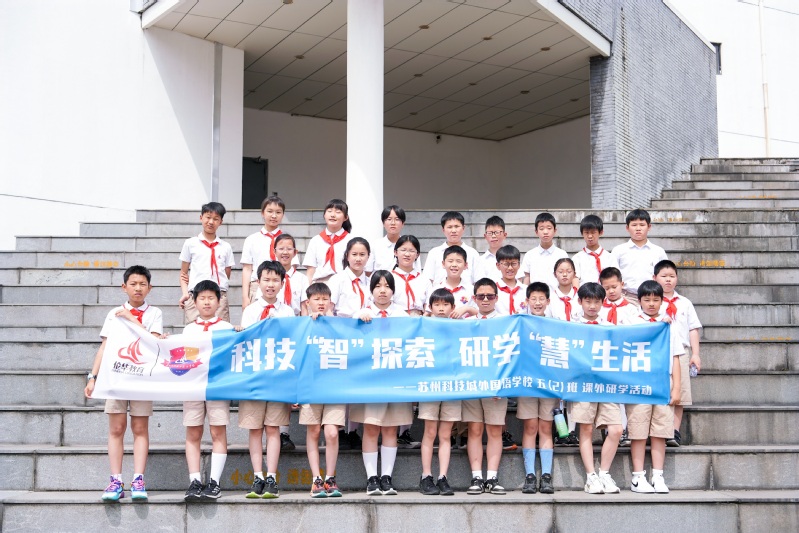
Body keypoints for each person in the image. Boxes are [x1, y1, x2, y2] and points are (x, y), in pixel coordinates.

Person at [84, 265, 163, 501]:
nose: (138, 288)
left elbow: (154, 342)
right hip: (116, 377)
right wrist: (93, 377)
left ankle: (138, 479)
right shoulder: (114, 313)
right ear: (124, 287)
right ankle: (115, 481)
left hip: (141, 379)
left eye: (142, 284)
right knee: (116, 428)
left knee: (140, 428)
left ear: (149, 288)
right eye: (133, 284)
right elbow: (105, 347)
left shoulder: (154, 313)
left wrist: (131, 319)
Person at [238, 260, 295, 499]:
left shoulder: (288, 311)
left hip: (277, 379)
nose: (270, 284)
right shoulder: (251, 311)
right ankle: (257, 476)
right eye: (266, 280)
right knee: (255, 429)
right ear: (258, 282)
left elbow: (292, 343)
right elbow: (245, 343)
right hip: (254, 379)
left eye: (275, 280)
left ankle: (271, 476)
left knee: (273, 427)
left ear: (282, 283)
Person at [353, 271, 412, 495]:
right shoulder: (363, 312)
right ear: (371, 290)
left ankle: (387, 477)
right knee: (371, 427)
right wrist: (359, 320)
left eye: (387, 286)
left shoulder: (402, 315)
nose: (382, 290)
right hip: (371, 382)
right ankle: (371, 478)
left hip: (395, 381)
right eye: (378, 286)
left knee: (391, 428)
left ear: (393, 290)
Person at [627, 280, 682, 493]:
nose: (651, 304)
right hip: (639, 382)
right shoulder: (631, 322)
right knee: (639, 430)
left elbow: (675, 357)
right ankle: (638, 477)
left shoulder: (669, 324)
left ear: (662, 301)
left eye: (656, 300)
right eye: (647, 299)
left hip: (662, 382)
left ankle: (658, 476)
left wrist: (676, 388)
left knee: (660, 430)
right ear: (639, 301)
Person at [181, 280, 234, 501]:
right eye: (202, 298)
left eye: (211, 298)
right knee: (193, 432)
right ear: (194, 302)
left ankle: (214, 482)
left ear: (219, 301)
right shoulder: (189, 329)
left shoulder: (227, 328)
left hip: (217, 386)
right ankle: (194, 480)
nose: (206, 302)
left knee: (217, 432)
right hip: (193, 386)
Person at [570, 283, 624, 495]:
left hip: (606, 384)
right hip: (583, 385)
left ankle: (604, 473)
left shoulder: (609, 326)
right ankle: (590, 476)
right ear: (580, 302)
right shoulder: (572, 326)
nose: (592, 306)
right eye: (588, 301)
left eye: (596, 302)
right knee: (586, 429)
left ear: (603, 303)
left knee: (616, 429)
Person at [463, 278, 507, 495]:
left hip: (496, 385)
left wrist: (502, 384)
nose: (486, 299)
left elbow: (510, 357)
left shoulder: (505, 322)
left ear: (496, 298)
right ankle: (476, 477)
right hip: (472, 384)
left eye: (490, 296)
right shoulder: (467, 323)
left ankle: (492, 476)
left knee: (495, 430)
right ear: (475, 298)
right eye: (481, 296)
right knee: (474, 429)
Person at [302, 282, 345, 498]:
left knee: (332, 432)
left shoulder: (339, 324)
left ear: (331, 302)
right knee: (313, 431)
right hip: (310, 387)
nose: (321, 303)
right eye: (316, 299)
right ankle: (316, 479)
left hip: (335, 387)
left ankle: (330, 478)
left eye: (325, 299)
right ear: (307, 302)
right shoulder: (302, 325)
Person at [653, 260, 702, 447]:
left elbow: (693, 328)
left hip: (681, 351)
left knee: (679, 392)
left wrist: (695, 354)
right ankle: (658, 429)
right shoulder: (652, 301)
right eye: (664, 276)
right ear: (655, 278)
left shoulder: (685, 303)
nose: (668, 280)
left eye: (672, 276)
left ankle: (674, 431)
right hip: (658, 351)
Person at [418, 289, 461, 496]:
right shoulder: (423, 327)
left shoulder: (460, 327)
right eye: (437, 305)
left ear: (453, 308)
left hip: (452, 387)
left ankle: (443, 477)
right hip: (430, 386)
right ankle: (426, 476)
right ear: (430, 307)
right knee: (430, 432)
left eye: (445, 305)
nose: (441, 308)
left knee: (445, 434)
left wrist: (467, 309)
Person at [518, 282, 557, 494]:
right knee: (530, 427)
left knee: (546, 428)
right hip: (527, 385)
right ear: (527, 301)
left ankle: (547, 475)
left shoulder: (555, 325)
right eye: (533, 299)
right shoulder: (520, 323)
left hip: (549, 384)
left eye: (542, 299)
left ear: (548, 301)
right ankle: (530, 475)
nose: (538, 302)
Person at [598, 267, 640, 447]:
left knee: (623, 393)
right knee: (608, 395)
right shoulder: (599, 308)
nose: (611, 291)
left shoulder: (632, 309)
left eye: (614, 287)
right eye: (606, 288)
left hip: (624, 357)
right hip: (604, 357)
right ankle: (610, 430)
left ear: (622, 284)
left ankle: (625, 430)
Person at [178, 202, 234, 323]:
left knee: (221, 330)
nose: (211, 222)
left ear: (221, 222)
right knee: (194, 331)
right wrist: (185, 293)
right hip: (196, 295)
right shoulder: (190, 243)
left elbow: (227, 273)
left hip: (218, 296)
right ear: (201, 217)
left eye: (216, 219)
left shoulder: (226, 247)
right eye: (208, 217)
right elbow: (183, 273)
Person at [240, 195, 299, 310]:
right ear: (262, 213)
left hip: (280, 285)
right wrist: (245, 297)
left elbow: (292, 267)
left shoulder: (287, 240)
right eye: (270, 211)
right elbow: (247, 269)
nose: (274, 216)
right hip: (257, 285)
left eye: (278, 212)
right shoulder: (251, 239)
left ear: (283, 214)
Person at [549, 258, 579, 446]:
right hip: (556, 347)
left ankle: (573, 431)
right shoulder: (550, 297)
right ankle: (561, 431)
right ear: (555, 274)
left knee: (573, 391)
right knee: (558, 393)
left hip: (576, 348)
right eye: (561, 271)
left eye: (569, 271)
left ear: (574, 274)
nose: (565, 274)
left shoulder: (580, 296)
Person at [611, 209, 668, 305]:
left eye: (642, 225)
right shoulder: (618, 251)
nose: (638, 228)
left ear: (649, 227)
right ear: (627, 228)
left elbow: (665, 275)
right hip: (626, 298)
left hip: (652, 298)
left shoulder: (658, 252)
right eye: (634, 225)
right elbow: (612, 276)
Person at [422, 211, 480, 285]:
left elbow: (478, 280)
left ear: (463, 228)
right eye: (449, 227)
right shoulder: (434, 253)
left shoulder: (472, 253)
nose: (453, 231)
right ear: (443, 230)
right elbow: (427, 280)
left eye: (457, 226)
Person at [303, 199, 353, 284]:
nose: (333, 215)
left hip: (343, 284)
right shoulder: (316, 240)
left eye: (338, 212)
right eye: (329, 211)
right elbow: (311, 269)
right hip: (319, 285)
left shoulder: (351, 240)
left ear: (346, 217)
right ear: (324, 215)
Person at [366, 205, 420, 273]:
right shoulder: (375, 245)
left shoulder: (411, 245)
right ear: (383, 223)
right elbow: (368, 271)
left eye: (397, 219)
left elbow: (417, 271)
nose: (393, 223)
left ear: (403, 223)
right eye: (389, 219)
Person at [521, 212, 568, 290]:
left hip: (556, 295)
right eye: (541, 229)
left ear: (555, 230)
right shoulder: (530, 255)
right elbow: (526, 278)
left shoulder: (562, 255)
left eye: (549, 228)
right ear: (536, 232)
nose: (545, 232)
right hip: (535, 295)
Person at [328, 238, 371, 317]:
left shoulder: (371, 283)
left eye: (362, 254)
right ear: (347, 256)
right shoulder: (337, 280)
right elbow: (328, 309)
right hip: (341, 323)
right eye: (354, 254)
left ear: (368, 256)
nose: (358, 259)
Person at [573, 214, 619, 286]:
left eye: (593, 232)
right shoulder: (577, 258)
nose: (590, 236)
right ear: (582, 233)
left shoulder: (609, 257)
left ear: (601, 232)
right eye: (586, 232)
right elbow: (575, 280)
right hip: (584, 292)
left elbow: (615, 279)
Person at [390, 235, 431, 316]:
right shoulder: (388, 278)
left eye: (411, 251)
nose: (407, 254)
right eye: (403, 250)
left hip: (419, 318)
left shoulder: (424, 279)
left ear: (417, 254)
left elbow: (429, 302)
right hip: (395, 318)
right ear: (395, 252)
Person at [428, 245, 474, 311]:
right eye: (450, 261)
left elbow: (478, 313)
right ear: (443, 264)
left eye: (458, 261)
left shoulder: (471, 290)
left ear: (465, 265)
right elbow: (430, 313)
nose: (454, 265)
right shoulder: (435, 290)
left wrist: (466, 309)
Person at [494, 244, 527, 316]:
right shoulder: (493, 290)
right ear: (498, 265)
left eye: (514, 264)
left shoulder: (526, 290)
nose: (510, 268)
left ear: (519, 265)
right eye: (506, 264)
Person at [474, 216, 507, 282]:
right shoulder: (480, 260)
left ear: (504, 235)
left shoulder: (512, 257)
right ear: (485, 236)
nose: (493, 236)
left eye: (497, 232)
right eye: (490, 233)